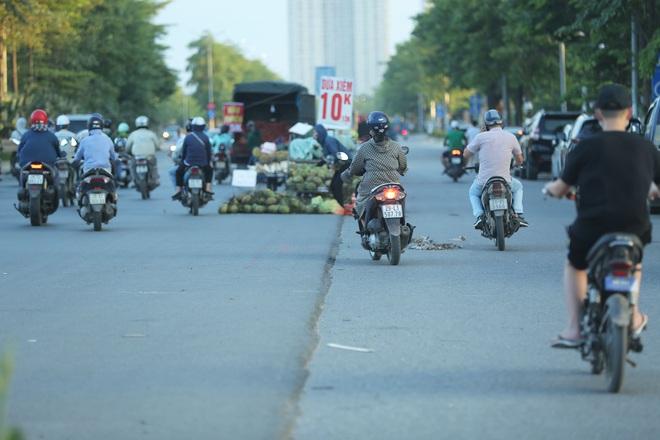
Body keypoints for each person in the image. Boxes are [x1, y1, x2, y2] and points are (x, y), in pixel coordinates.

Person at [544, 84, 660, 348]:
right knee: (635, 262)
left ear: (597, 114)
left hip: (593, 226)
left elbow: (561, 187)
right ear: (629, 112)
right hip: (635, 226)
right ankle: (633, 316)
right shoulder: (645, 148)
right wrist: (652, 189)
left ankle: (575, 329)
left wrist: (551, 189)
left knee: (575, 265)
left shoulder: (585, 147)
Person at [341, 111, 407, 231]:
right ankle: (402, 224)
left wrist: (347, 174)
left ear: (371, 130)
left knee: (360, 199)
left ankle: (364, 224)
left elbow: (355, 167)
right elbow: (403, 166)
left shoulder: (365, 148)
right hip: (394, 184)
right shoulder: (396, 146)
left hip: (371, 185)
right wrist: (402, 171)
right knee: (402, 196)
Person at [464, 109, 527, 229]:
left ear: (486, 124)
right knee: (518, 187)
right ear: (501, 122)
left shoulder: (481, 137)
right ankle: (518, 213)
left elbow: (466, 154)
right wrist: (518, 164)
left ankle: (480, 216)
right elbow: (520, 159)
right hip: (505, 181)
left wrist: (481, 135)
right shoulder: (511, 137)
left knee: (473, 192)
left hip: (484, 182)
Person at [172, 116, 213, 199]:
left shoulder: (188, 137)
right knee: (210, 170)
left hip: (189, 162)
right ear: (203, 126)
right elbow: (208, 153)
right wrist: (208, 163)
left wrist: (182, 162)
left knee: (178, 172)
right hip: (203, 163)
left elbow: (184, 153)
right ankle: (208, 189)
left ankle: (178, 190)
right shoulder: (206, 138)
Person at [17, 109, 63, 179]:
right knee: (56, 176)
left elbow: (19, 150)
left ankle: (22, 187)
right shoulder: (51, 136)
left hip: (27, 164)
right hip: (48, 164)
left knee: (22, 175)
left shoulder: (26, 135)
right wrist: (60, 155)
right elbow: (57, 150)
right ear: (45, 121)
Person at [127, 115, 160, 185]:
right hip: (149, 156)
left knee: (131, 166)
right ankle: (156, 179)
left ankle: (133, 180)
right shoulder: (151, 133)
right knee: (153, 167)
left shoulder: (133, 134)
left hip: (136, 157)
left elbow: (128, 147)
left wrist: (129, 152)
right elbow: (157, 145)